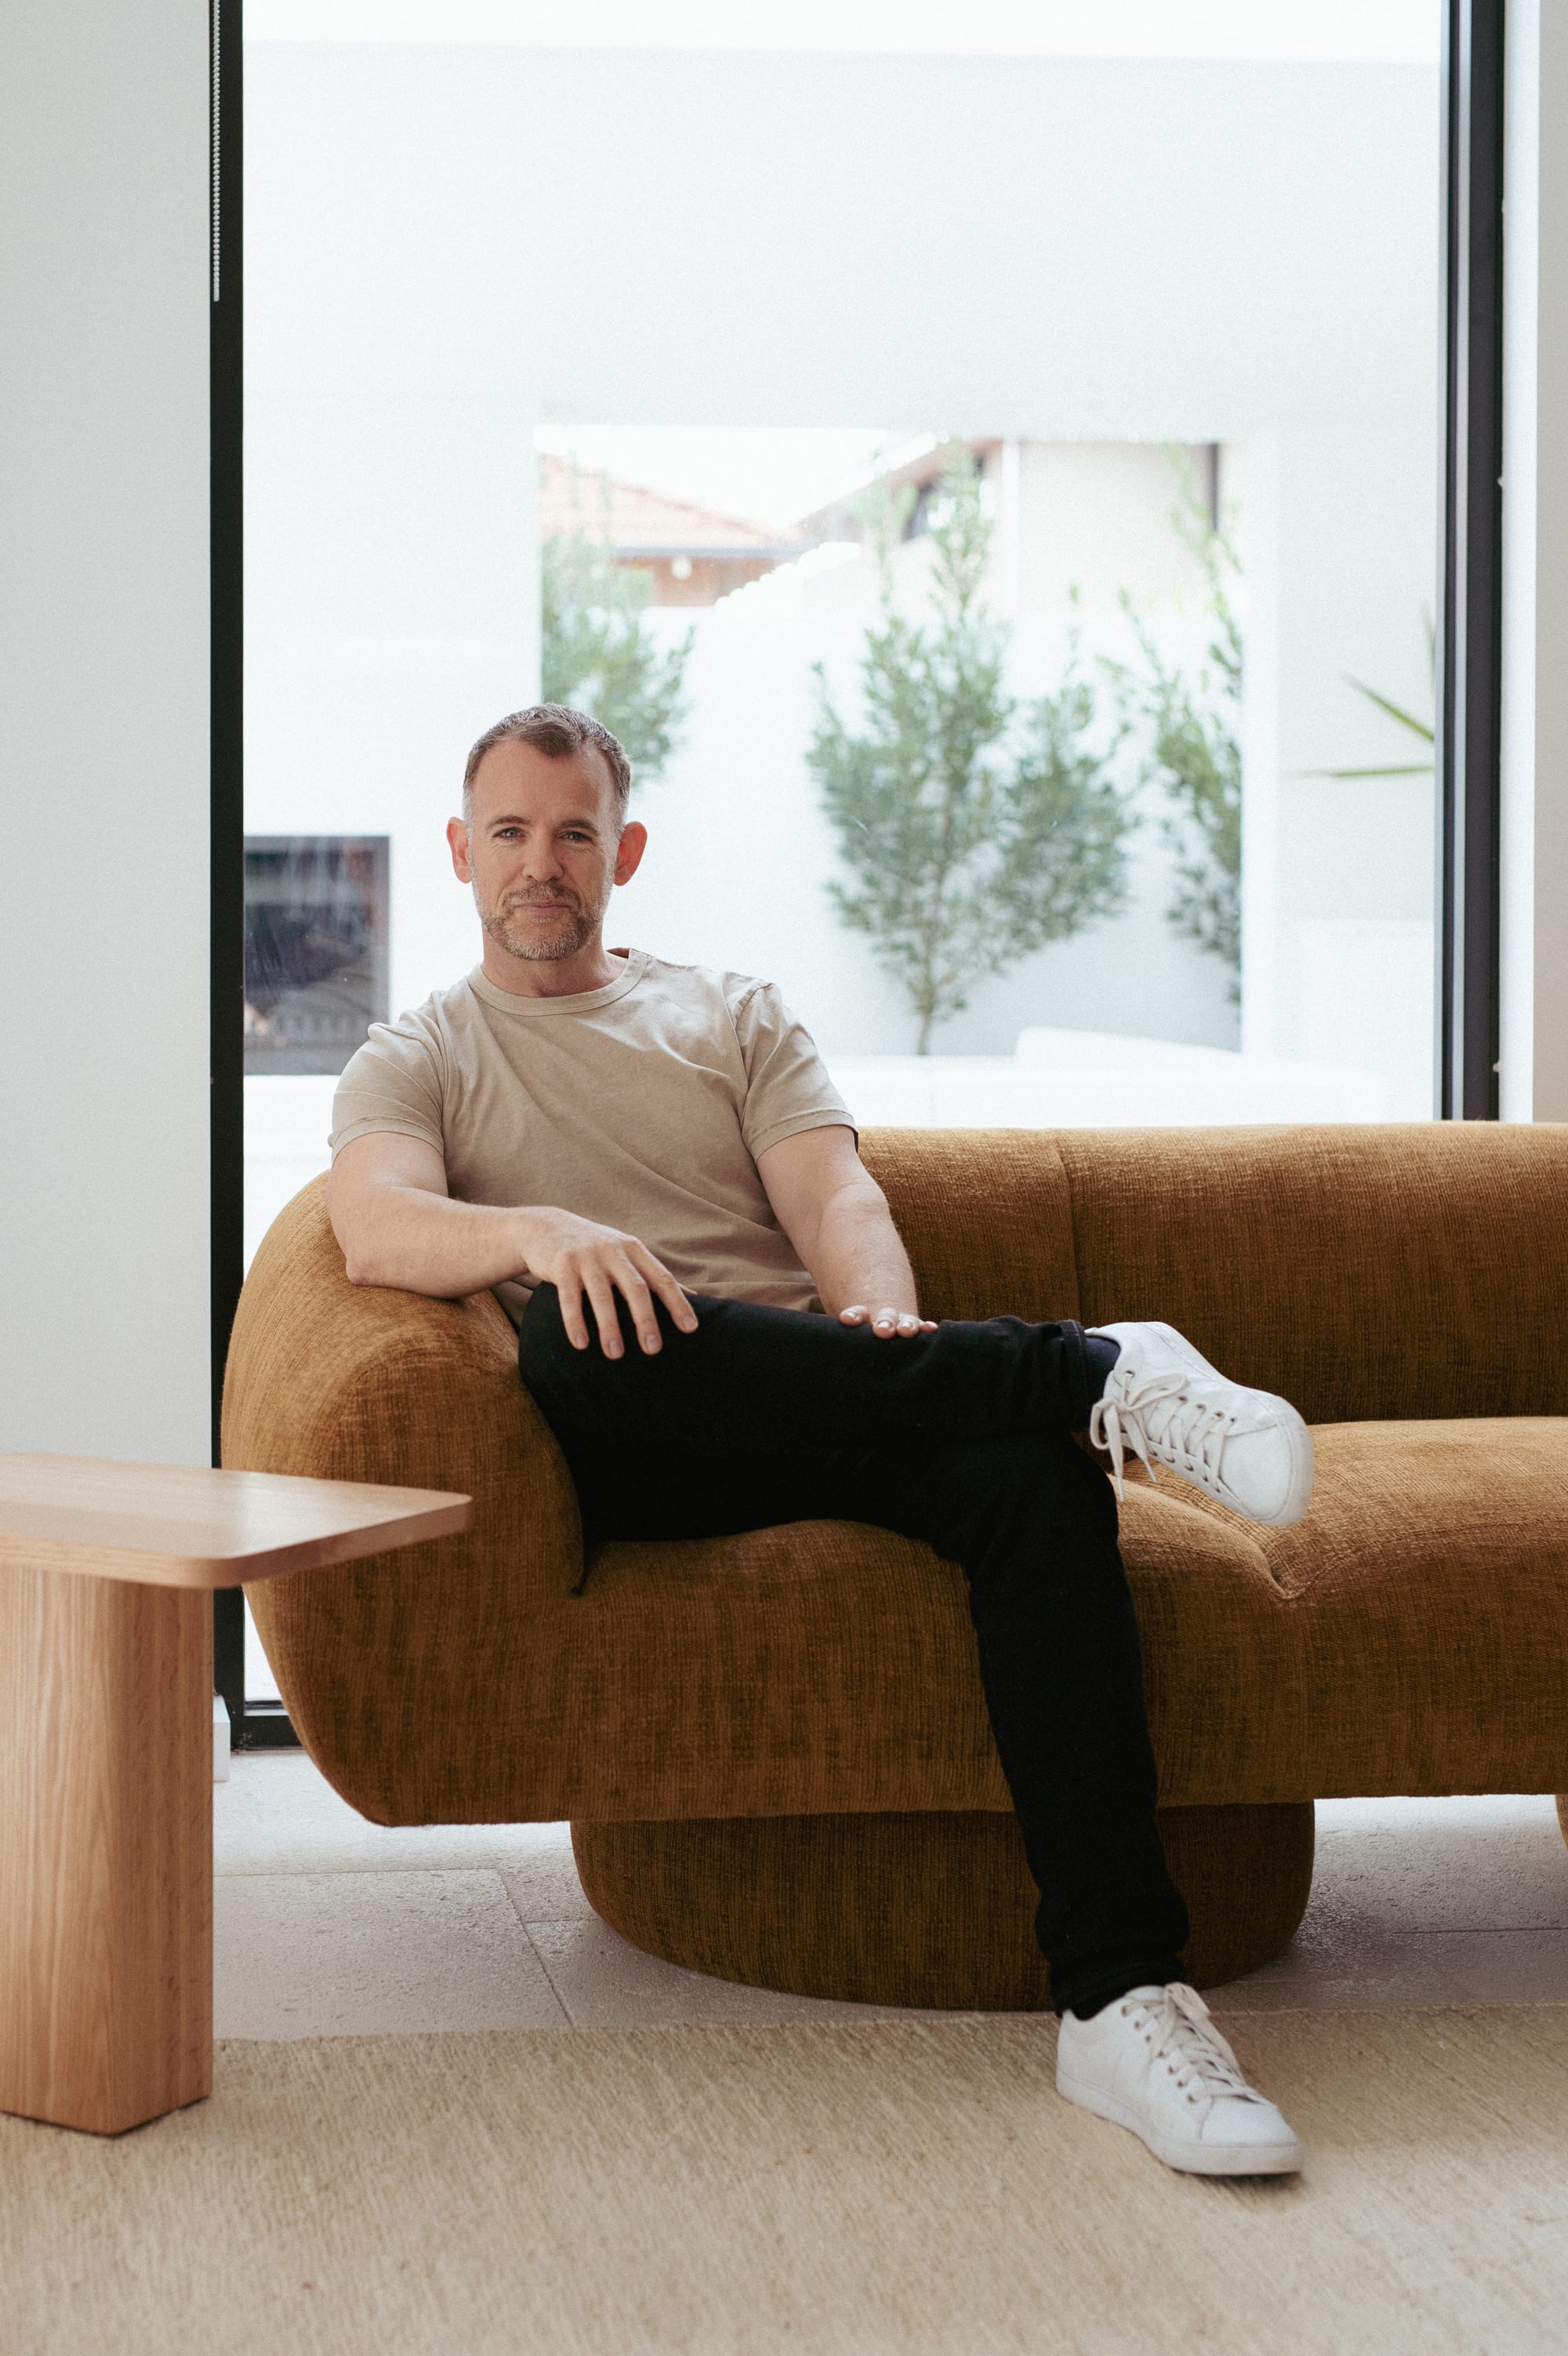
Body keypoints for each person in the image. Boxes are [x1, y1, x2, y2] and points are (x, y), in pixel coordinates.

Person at [327, 702, 1316, 2179]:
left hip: (822, 1404)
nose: (546, 863)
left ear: (626, 851)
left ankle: (1117, 1995)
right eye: (515, 833)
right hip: (644, 1428)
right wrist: (547, 1230)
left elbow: (839, 1207)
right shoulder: (420, 1054)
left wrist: (878, 1332)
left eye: (577, 832)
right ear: (463, 851)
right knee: (572, 1324)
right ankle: (1094, 1372)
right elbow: (374, 1219)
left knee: (1037, 1488)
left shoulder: (731, 1012)